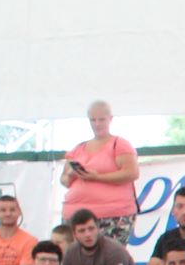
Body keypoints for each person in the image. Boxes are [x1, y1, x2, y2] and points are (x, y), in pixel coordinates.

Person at [61, 100, 142, 241]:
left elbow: (132, 173)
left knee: (108, 258)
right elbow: (64, 180)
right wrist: (72, 174)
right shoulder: (78, 148)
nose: (97, 124)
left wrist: (97, 177)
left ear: (110, 119)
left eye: (101, 119)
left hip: (112, 215)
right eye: (93, 120)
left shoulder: (119, 144)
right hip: (75, 214)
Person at [60, 209, 144, 265]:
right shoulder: (70, 253)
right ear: (74, 234)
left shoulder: (113, 250)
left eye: (91, 229)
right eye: (82, 231)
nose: (88, 234)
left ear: (98, 228)